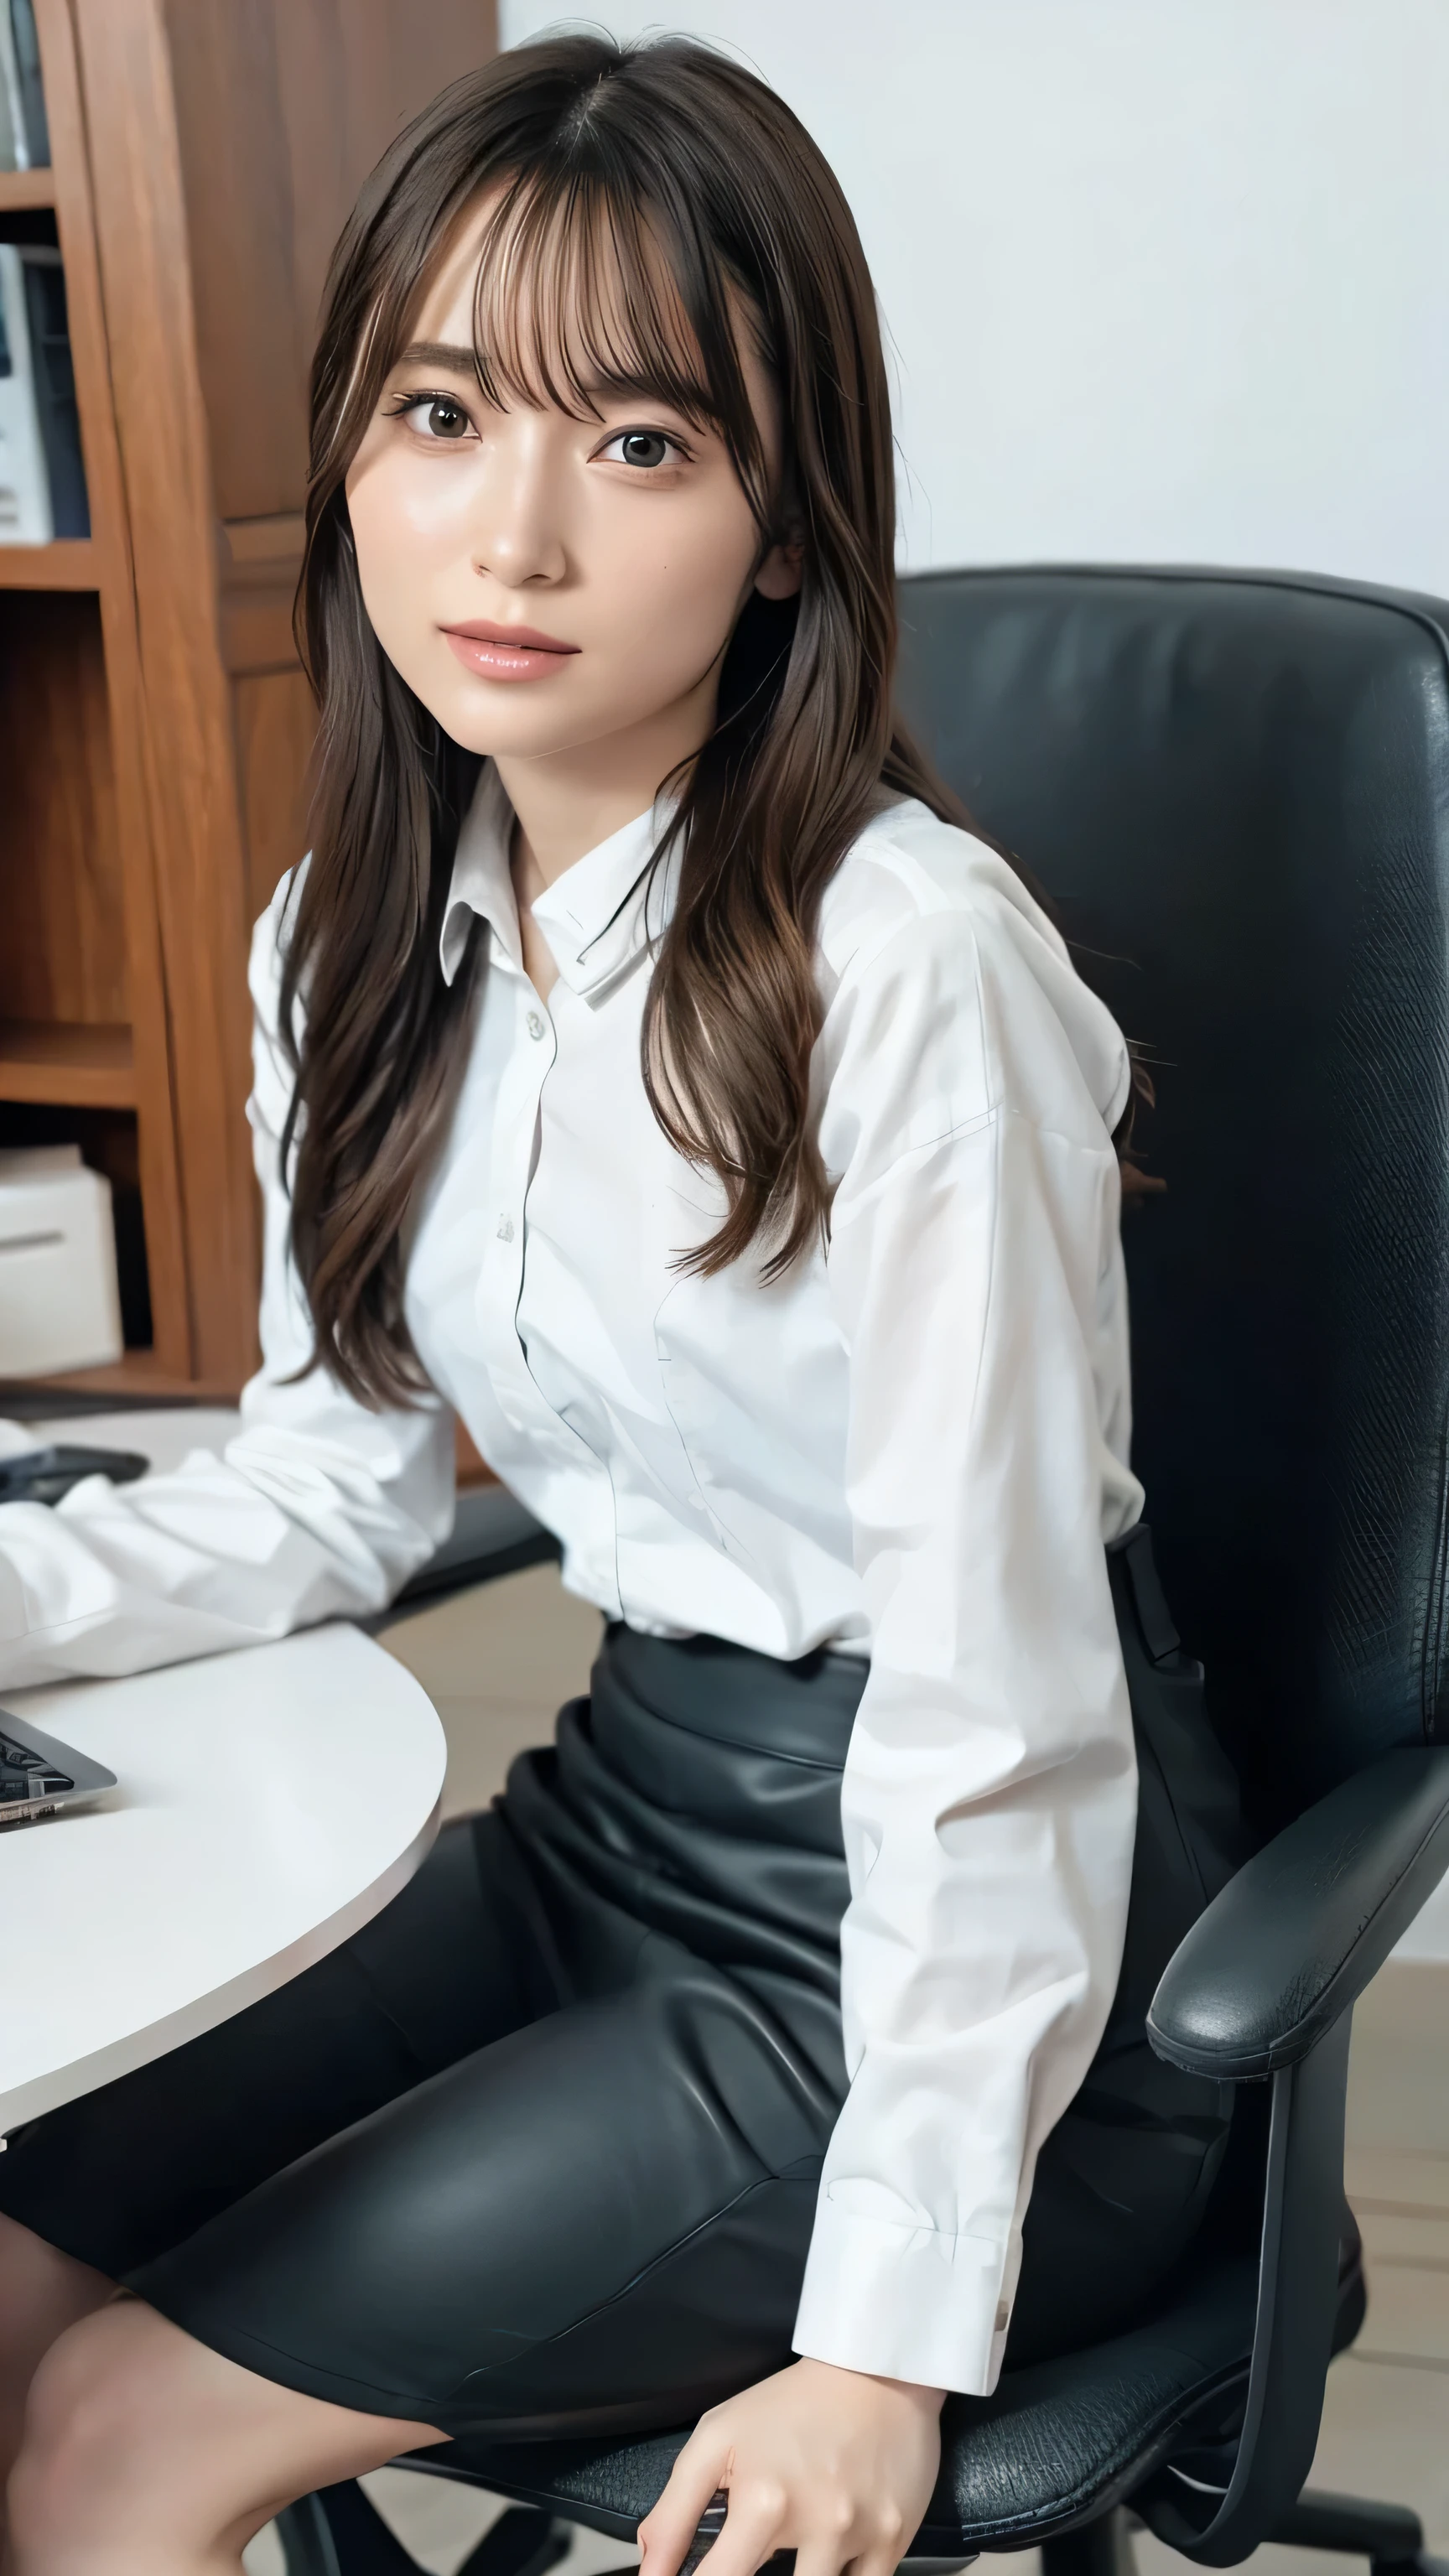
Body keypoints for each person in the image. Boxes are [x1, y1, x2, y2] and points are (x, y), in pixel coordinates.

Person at [0, 35, 1239, 2576]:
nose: (517, 538)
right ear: (349, 451)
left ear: (789, 530)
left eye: (646, 444)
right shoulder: (345, 940)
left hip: (975, 1960)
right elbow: (332, 1490)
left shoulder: (913, 972)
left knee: (115, 2431)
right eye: (444, 413)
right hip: (619, 1827)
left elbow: (1000, 1703)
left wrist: (887, 2338)